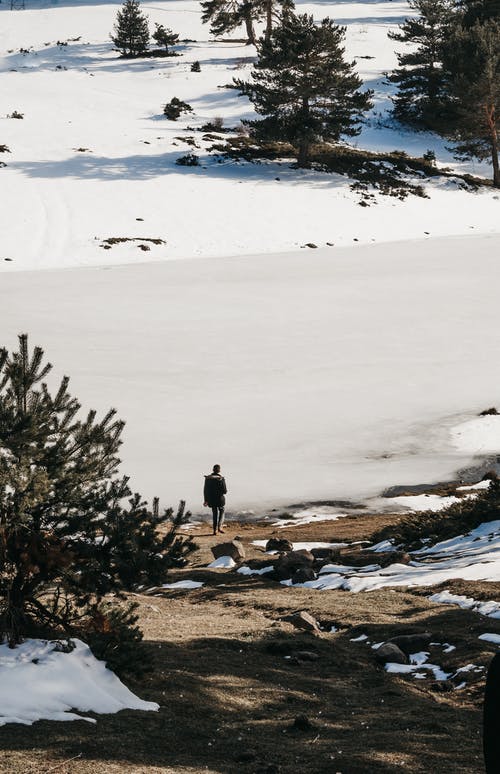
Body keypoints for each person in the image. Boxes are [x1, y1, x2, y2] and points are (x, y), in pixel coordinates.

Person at [203, 464, 227, 536]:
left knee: (214, 514)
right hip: (220, 499)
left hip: (211, 499)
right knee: (222, 511)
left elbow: (205, 490)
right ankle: (219, 527)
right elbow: (224, 491)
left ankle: (214, 530)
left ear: (213, 470)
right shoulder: (221, 478)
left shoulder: (208, 479)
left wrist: (205, 500)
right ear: (219, 470)